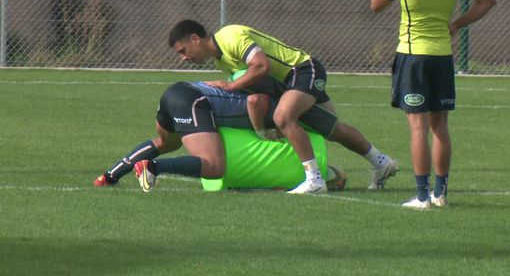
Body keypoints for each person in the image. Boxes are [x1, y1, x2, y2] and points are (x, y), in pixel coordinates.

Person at [168, 20, 398, 194]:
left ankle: (315, 180)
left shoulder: (230, 36)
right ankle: (382, 162)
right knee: (332, 128)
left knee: (284, 117)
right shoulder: (221, 60)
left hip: (303, 70)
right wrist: (260, 128)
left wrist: (229, 86)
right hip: (286, 86)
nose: (184, 58)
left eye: (183, 51)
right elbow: (256, 88)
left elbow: (261, 66)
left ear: (195, 38)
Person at [370, 0, 497, 209]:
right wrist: (457, 24)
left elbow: (375, 3)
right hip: (442, 57)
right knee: (440, 127)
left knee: (418, 128)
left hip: (413, 57)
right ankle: (440, 194)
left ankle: (423, 196)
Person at [93, 79, 336, 190]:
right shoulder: (272, 101)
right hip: (193, 101)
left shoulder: (249, 79)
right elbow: (254, 102)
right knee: (214, 166)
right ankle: (154, 167)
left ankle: (110, 176)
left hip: (177, 91)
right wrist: (263, 132)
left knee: (165, 142)